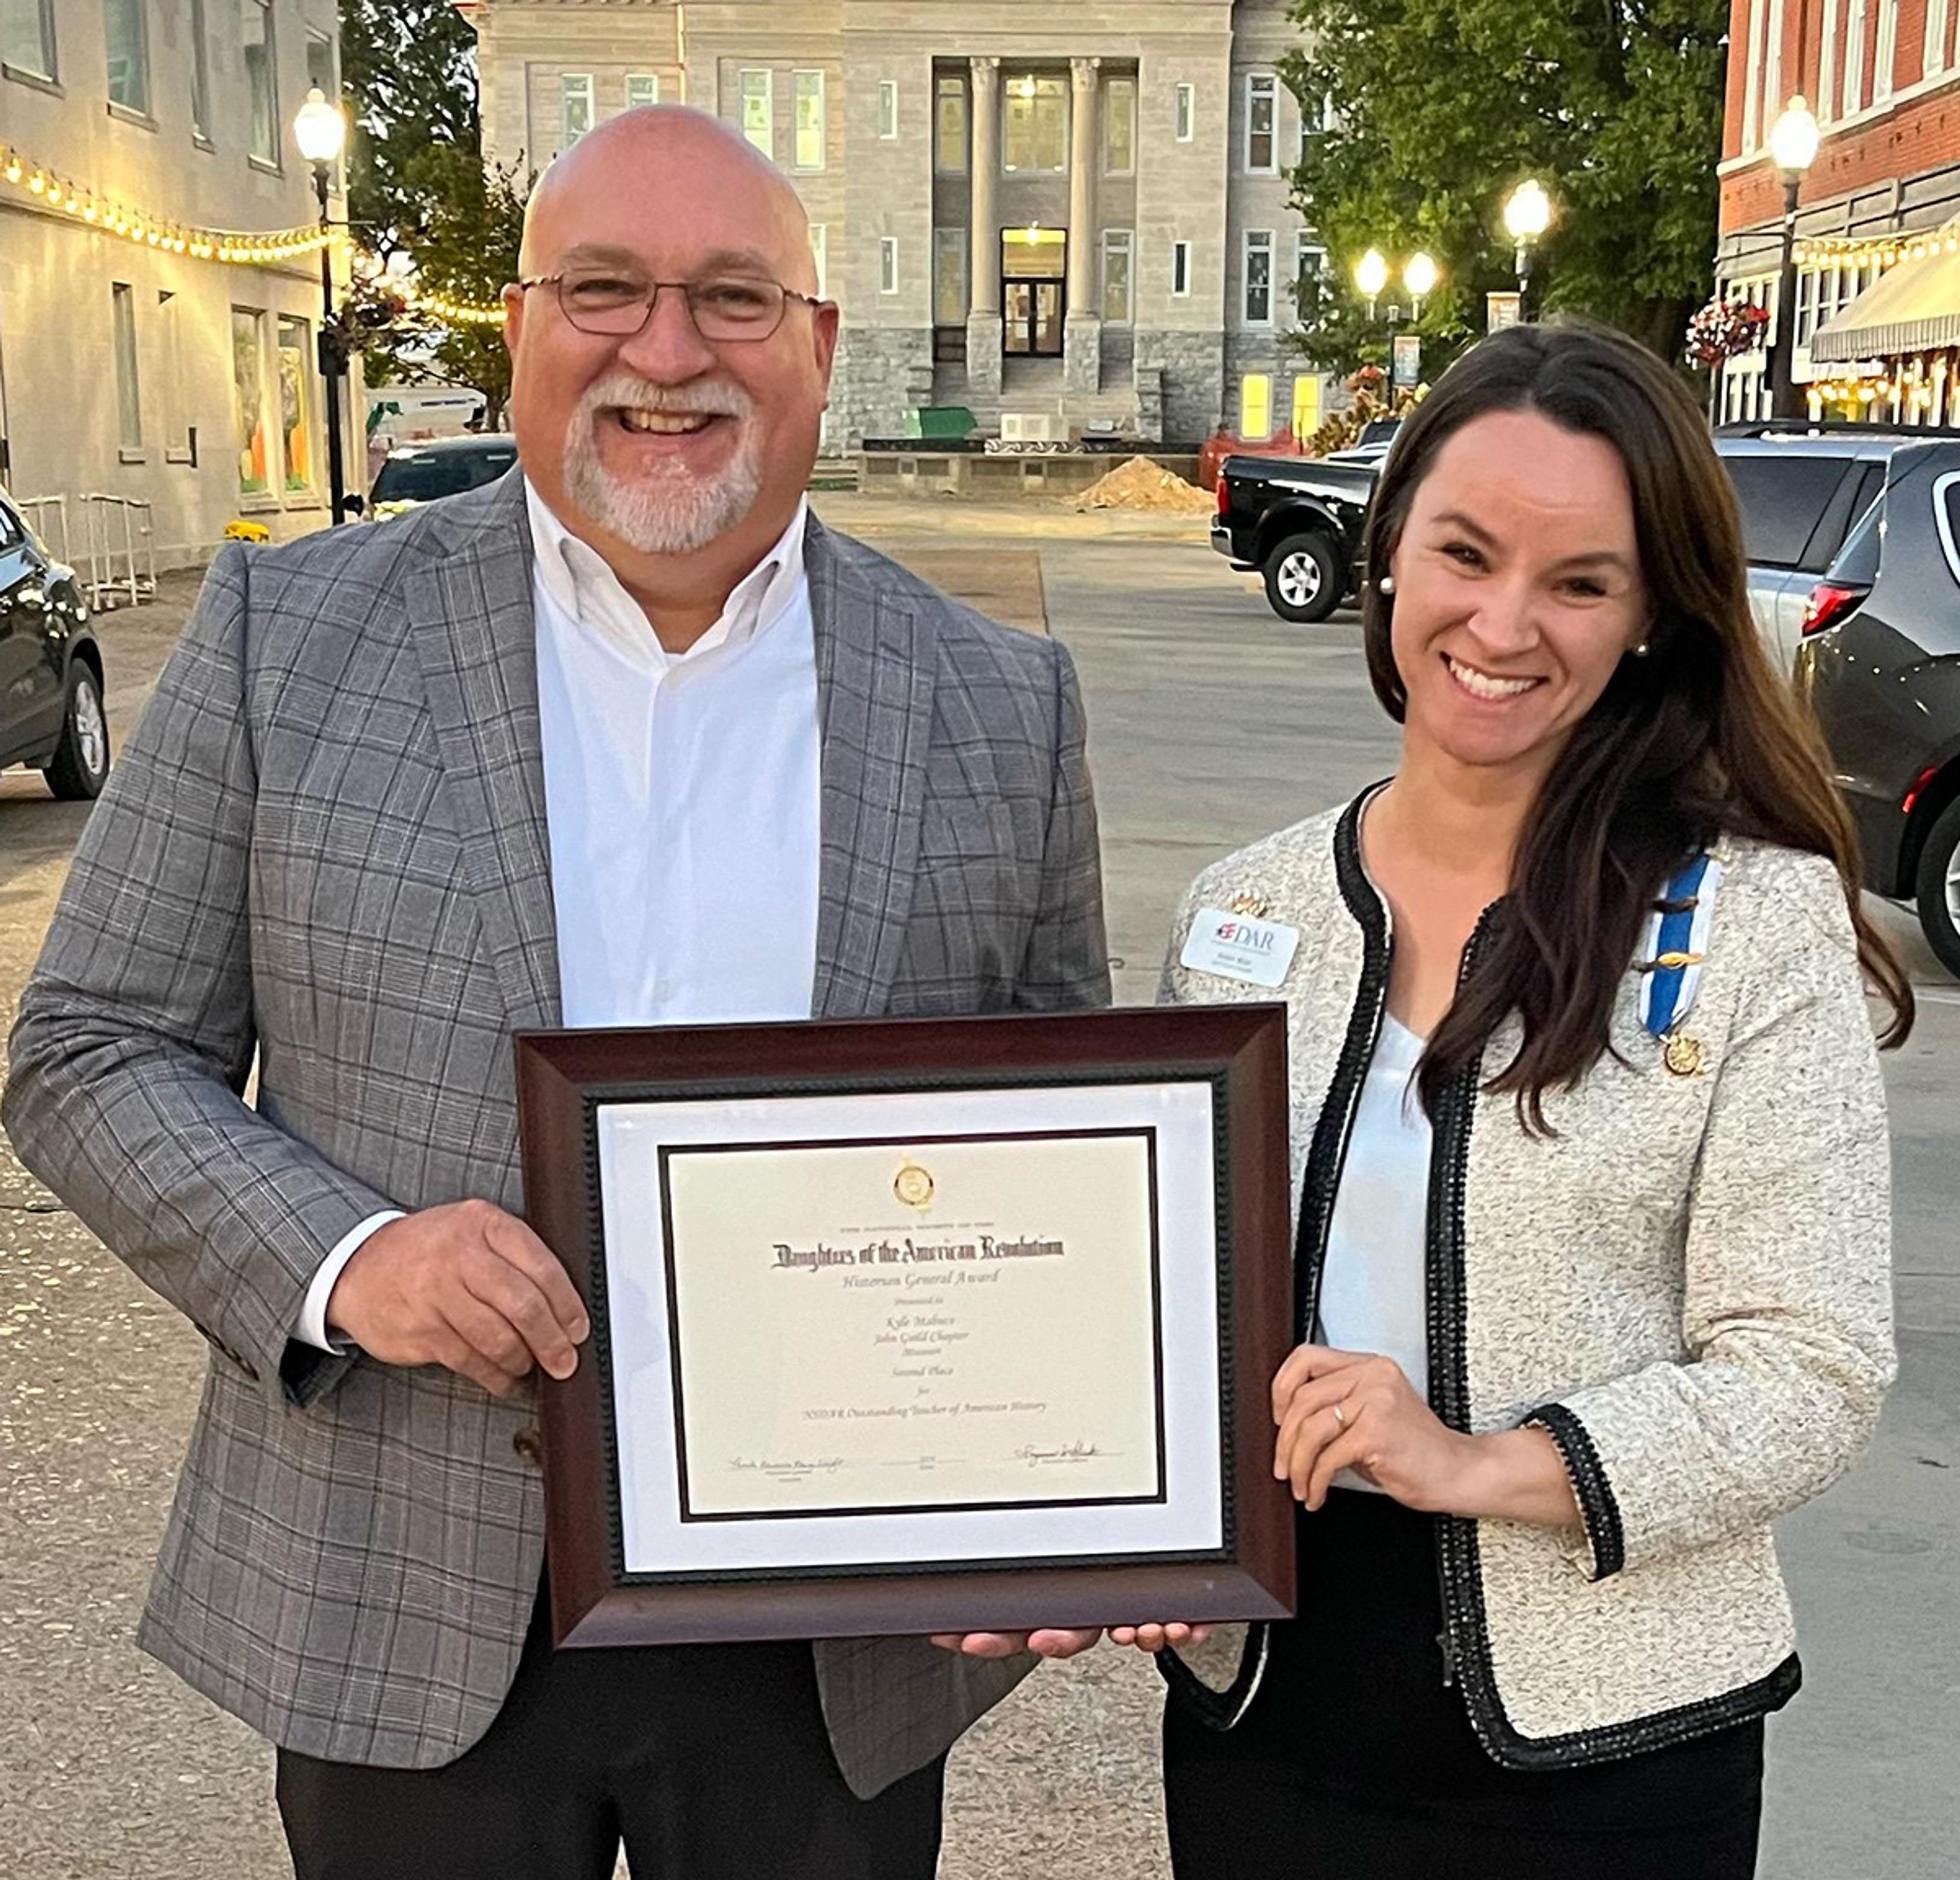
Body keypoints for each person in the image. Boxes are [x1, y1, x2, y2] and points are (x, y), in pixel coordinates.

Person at [4, 107, 1110, 1880]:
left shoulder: (994, 699)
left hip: (832, 1631)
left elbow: (1060, 1146)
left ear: (819, 345)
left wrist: (1067, 1500)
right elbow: (87, 1047)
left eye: (734, 298)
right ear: (518, 325)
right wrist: (352, 1261)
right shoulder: (290, 641)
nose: (665, 353)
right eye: (604, 289)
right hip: (411, 1592)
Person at [1151, 320, 1910, 1878]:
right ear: (1390, 550)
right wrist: (1134, 1511)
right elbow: (1164, 1298)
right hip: (1270, 1722)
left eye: (1580, 581)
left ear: (1649, 616)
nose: (1506, 622)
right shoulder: (1251, 910)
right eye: (1467, 551)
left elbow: (1813, 1367)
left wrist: (1480, 1461)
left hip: (1614, 1749)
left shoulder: (1752, 927)